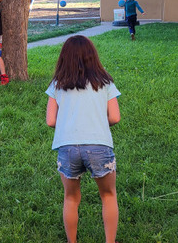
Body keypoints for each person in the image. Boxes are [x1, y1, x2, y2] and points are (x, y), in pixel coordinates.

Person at [45, 35, 121, 243]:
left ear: (64, 59)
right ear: (93, 57)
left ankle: (72, 241)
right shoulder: (105, 83)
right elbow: (115, 117)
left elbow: (51, 121)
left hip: (67, 146)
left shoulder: (57, 85)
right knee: (108, 195)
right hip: (99, 145)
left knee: (71, 198)